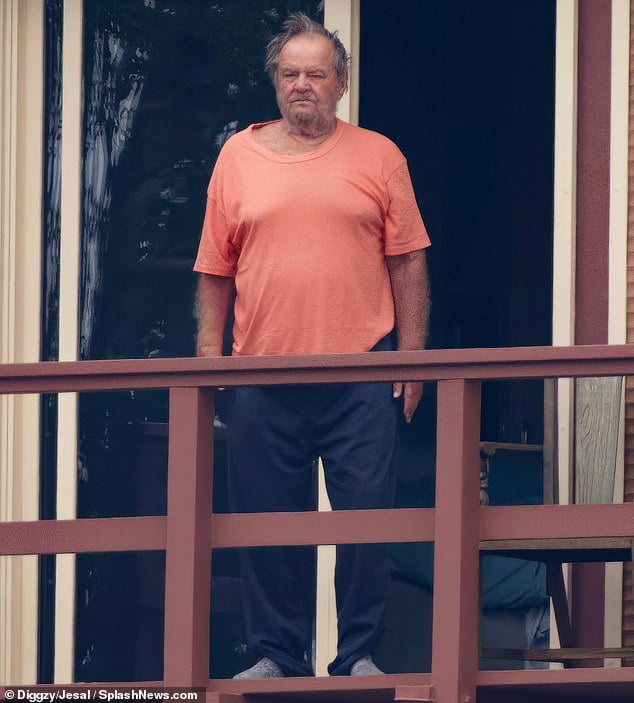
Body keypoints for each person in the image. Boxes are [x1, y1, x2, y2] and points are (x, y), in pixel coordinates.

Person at [194, 13, 431, 679]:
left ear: (342, 84)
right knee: (267, 524)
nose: (302, 85)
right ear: (276, 83)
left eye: (316, 74)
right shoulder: (237, 156)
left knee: (366, 522)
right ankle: (276, 652)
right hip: (262, 372)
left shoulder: (380, 155)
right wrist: (209, 360)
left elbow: (408, 262)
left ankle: (358, 652)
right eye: (290, 74)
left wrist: (412, 358)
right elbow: (215, 268)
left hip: (362, 369)